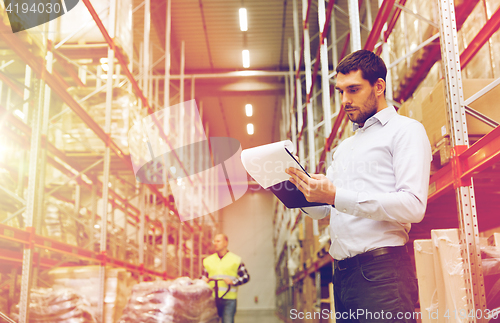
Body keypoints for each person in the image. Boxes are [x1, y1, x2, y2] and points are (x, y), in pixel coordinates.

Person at [285, 49, 431, 323]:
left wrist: (335, 195)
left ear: (379, 86)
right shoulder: (344, 148)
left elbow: (413, 206)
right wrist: (298, 192)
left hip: (382, 273)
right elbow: (327, 208)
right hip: (343, 276)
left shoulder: (405, 131)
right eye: (340, 91)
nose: (344, 100)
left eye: (353, 90)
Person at [202, 234, 250, 323]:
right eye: (214, 241)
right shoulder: (208, 261)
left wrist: (234, 281)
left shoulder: (235, 260)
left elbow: (246, 277)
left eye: (218, 241)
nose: (215, 243)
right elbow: (202, 277)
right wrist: (204, 281)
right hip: (211, 300)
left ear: (225, 243)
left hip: (229, 300)